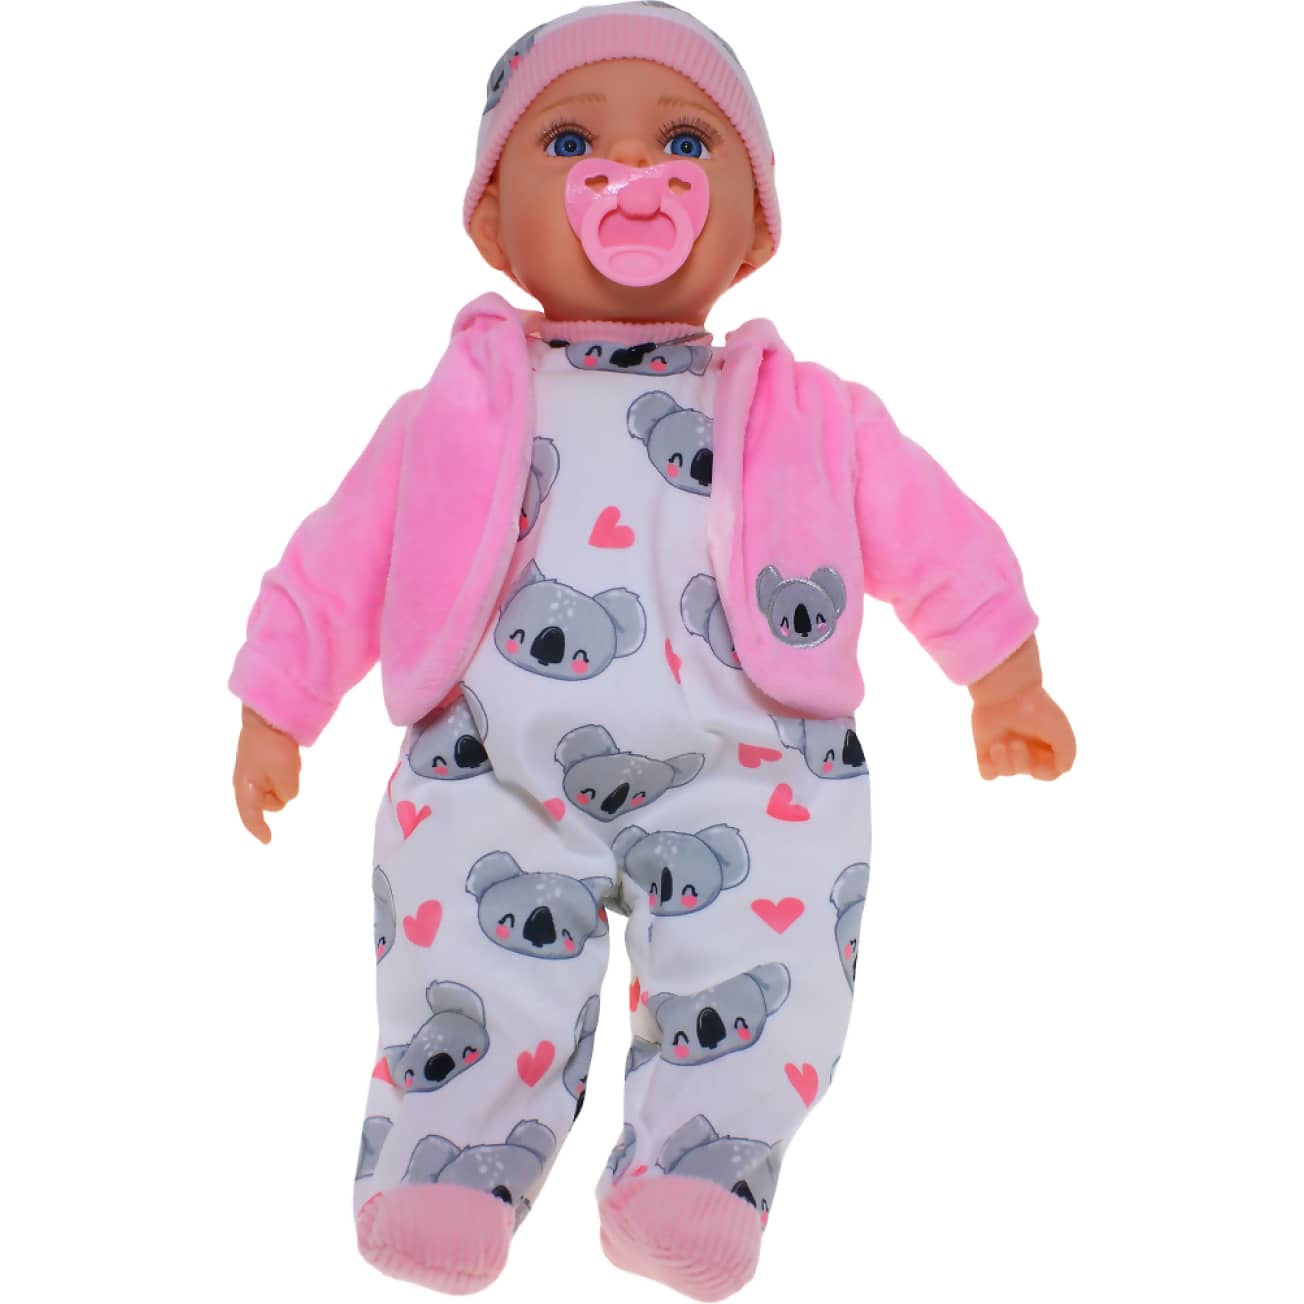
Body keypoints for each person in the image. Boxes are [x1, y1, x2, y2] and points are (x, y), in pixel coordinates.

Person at [230, 4, 1076, 1299]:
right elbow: (341, 555)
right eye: (570, 142)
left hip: (754, 769)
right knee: (464, 957)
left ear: (753, 229)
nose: (632, 174)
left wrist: (1001, 670)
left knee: (773, 964)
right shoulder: (452, 410)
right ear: (493, 219)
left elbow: (934, 529)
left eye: (686, 142)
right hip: (494, 763)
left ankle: (696, 1174)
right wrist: (278, 701)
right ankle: (446, 1171)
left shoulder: (809, 413)